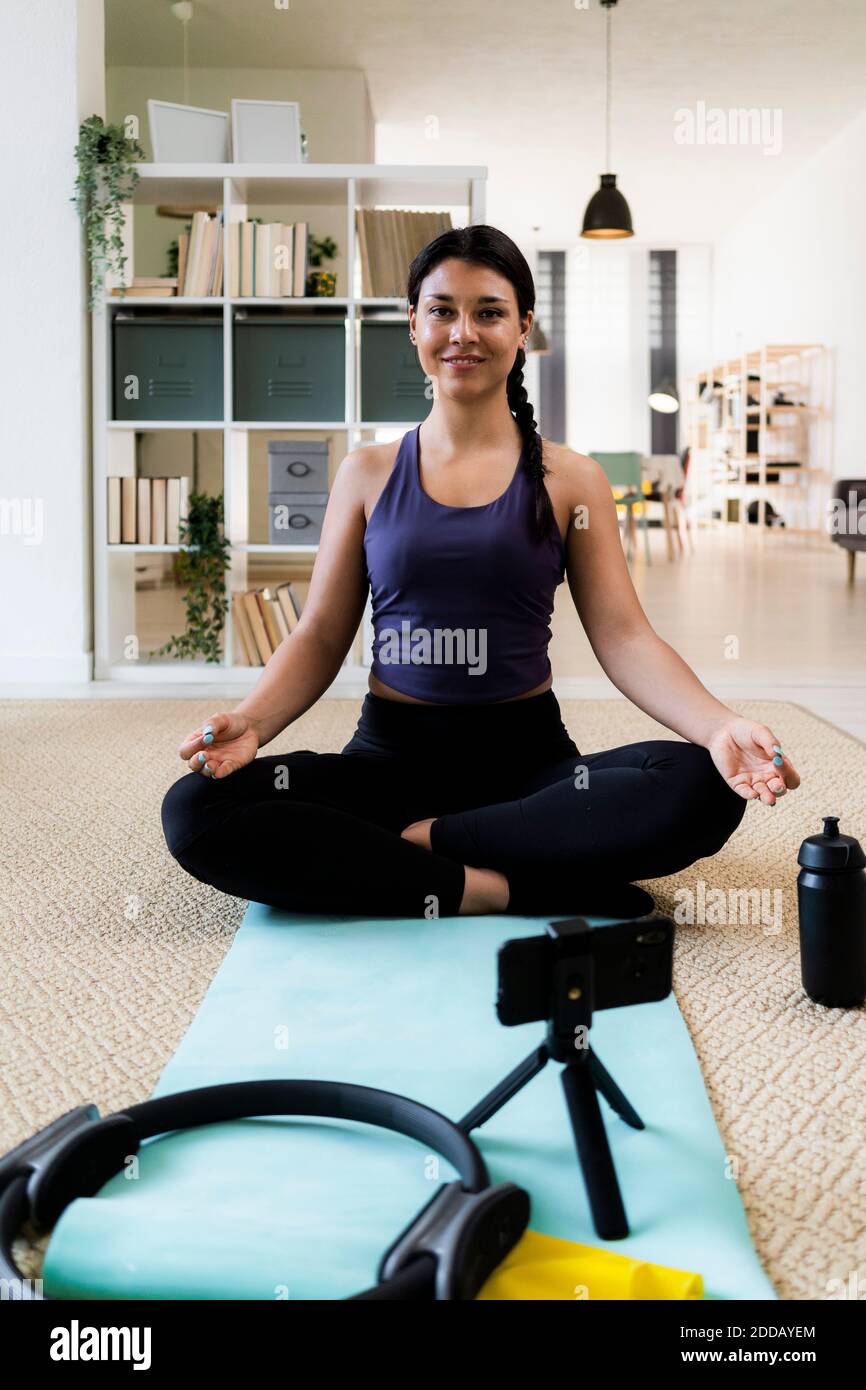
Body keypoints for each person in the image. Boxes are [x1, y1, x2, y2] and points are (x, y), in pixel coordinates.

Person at [161, 226, 800, 922]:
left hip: (529, 775)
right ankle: (497, 888)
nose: (463, 331)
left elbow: (624, 637)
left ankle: (420, 853)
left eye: (489, 311)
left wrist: (717, 725)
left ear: (522, 326)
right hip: (388, 765)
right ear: (413, 325)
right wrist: (254, 722)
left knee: (700, 786)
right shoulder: (366, 473)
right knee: (197, 809)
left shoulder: (573, 478)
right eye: (442, 310)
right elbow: (319, 634)